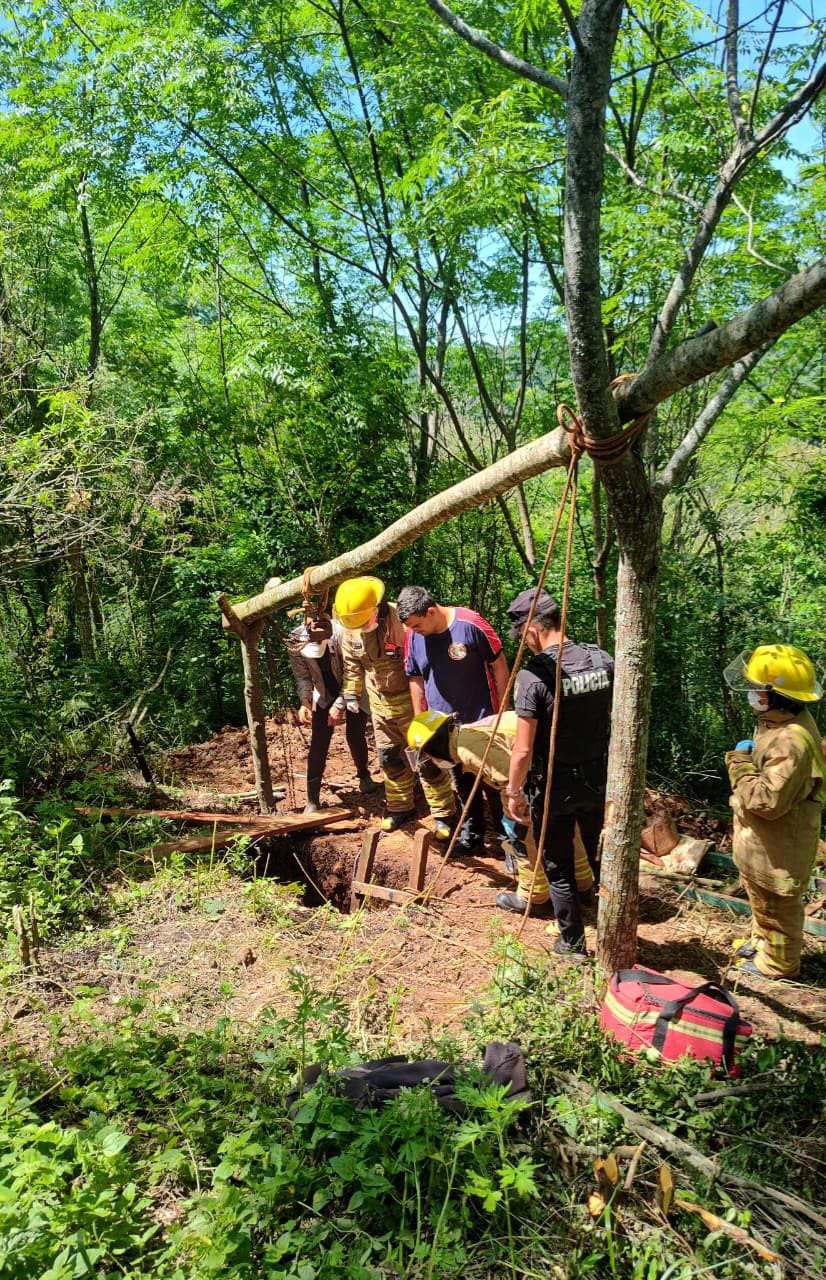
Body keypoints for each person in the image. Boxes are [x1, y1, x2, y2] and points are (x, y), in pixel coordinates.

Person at [505, 587, 614, 960]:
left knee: (558, 862)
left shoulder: (533, 677)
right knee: (598, 853)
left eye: (522, 636)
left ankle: (572, 942)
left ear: (533, 629)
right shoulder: (603, 661)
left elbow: (522, 750)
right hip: (600, 779)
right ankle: (607, 919)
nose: (525, 643)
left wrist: (513, 792)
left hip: (555, 786)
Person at [723, 643, 825, 980]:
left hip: (780, 845)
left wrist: (738, 764)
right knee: (761, 901)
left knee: (778, 907)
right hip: (766, 843)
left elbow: (766, 801)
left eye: (757, 689)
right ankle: (763, 945)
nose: (751, 693)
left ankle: (777, 965)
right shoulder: (777, 722)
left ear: (777, 696)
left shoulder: (790, 742)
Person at [332, 576, 456, 837]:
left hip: (411, 702)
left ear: (376, 610)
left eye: (365, 622)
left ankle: (444, 813)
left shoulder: (403, 624)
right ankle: (400, 806)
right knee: (390, 758)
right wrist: (351, 695)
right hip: (380, 706)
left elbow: (423, 664)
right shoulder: (350, 629)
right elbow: (353, 666)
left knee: (426, 759)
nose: (362, 627)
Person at [398, 586, 509, 854]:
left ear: (431, 611)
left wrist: (503, 711)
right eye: (409, 627)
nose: (414, 630)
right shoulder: (413, 637)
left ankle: (509, 841)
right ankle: (472, 834)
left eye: (417, 624)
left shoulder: (470, 624)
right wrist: (420, 720)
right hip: (444, 726)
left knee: (493, 782)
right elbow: (414, 676)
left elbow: (499, 663)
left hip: (482, 719)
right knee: (460, 780)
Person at [407, 709, 552, 911]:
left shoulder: (469, 749)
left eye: (428, 755)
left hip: (542, 763)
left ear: (435, 744)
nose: (431, 760)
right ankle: (581, 886)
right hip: (556, 759)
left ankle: (534, 897)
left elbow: (510, 779)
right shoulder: (465, 737)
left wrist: (514, 818)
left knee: (522, 834)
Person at [286, 610, 380, 813]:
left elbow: (352, 673)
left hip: (354, 688)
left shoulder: (344, 634)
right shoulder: (296, 641)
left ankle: (364, 775)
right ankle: (312, 799)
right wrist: (304, 702)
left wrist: (340, 704)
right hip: (323, 691)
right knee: (319, 742)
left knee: (355, 734)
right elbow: (303, 677)